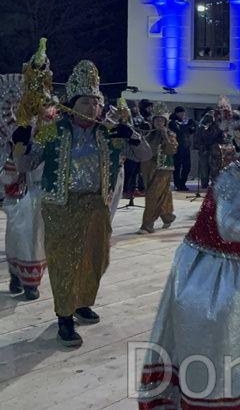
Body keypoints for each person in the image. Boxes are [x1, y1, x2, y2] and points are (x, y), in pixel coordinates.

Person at [137, 94, 240, 410]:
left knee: (231, 350)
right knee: (219, 350)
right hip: (212, 279)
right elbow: (231, 227)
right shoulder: (237, 176)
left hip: (223, 269)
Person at [13, 60, 151, 347]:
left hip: (97, 205)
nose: (92, 107)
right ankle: (64, 316)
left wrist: (133, 135)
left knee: (96, 259)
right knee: (64, 262)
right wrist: (21, 144)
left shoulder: (109, 133)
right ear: (72, 103)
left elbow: (144, 156)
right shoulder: (53, 130)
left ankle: (81, 303)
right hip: (61, 206)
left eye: (96, 102)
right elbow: (26, 164)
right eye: (86, 102)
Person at [2, 144, 46, 300]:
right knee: (20, 237)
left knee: (30, 239)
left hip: (39, 193)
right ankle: (23, 280)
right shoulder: (18, 133)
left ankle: (25, 281)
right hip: (22, 194)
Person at [138, 102, 178, 234]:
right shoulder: (149, 134)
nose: (159, 122)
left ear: (165, 122)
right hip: (148, 168)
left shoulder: (170, 135)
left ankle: (147, 224)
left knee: (152, 195)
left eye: (162, 120)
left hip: (163, 169)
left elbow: (171, 150)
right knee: (161, 194)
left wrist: (165, 135)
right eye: (157, 120)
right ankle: (167, 216)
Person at [124, 99, 151, 198]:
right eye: (133, 107)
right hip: (128, 148)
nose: (135, 109)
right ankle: (126, 190)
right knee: (129, 171)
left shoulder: (140, 117)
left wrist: (145, 126)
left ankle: (133, 189)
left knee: (136, 171)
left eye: (136, 107)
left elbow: (146, 129)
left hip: (139, 147)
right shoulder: (127, 117)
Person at [193, 109, 224, 189]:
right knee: (204, 168)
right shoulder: (201, 127)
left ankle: (215, 184)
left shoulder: (217, 126)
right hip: (204, 150)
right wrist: (201, 146)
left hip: (214, 150)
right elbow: (198, 137)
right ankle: (204, 184)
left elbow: (220, 137)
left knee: (215, 168)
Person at [168, 106, 196, 191]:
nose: (183, 115)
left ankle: (182, 183)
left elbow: (191, 131)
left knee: (187, 166)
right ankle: (178, 184)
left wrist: (193, 126)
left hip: (186, 147)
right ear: (177, 113)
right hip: (177, 147)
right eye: (181, 113)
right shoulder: (172, 122)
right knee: (177, 167)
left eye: (184, 113)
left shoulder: (184, 122)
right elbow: (179, 131)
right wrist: (187, 125)